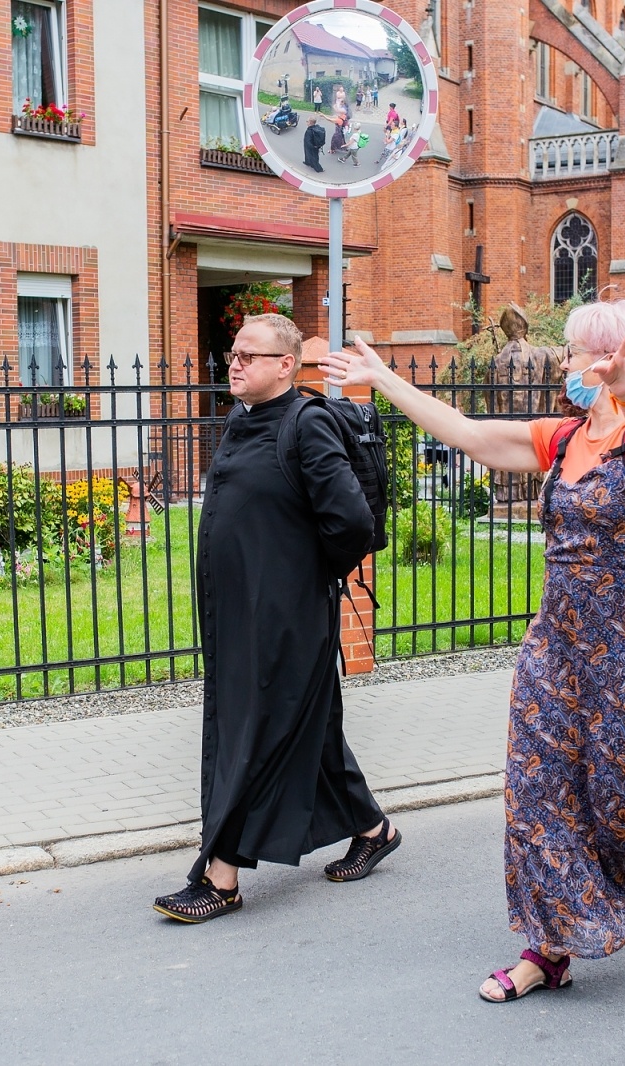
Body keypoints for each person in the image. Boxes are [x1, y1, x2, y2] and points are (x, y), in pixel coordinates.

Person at [323, 301, 625, 1003]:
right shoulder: (563, 437)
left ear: (614, 359)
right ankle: (548, 949)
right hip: (556, 644)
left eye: (576, 352)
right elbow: (469, 434)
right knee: (537, 789)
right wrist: (386, 380)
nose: (565, 363)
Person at [152, 313, 399, 923]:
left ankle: (222, 877)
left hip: (286, 615)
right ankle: (373, 829)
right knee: (307, 728)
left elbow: (351, 523)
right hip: (238, 613)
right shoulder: (243, 418)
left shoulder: (306, 424)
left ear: (285, 365)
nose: (233, 364)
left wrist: (305, 579)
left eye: (248, 356)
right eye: (233, 354)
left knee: (256, 731)